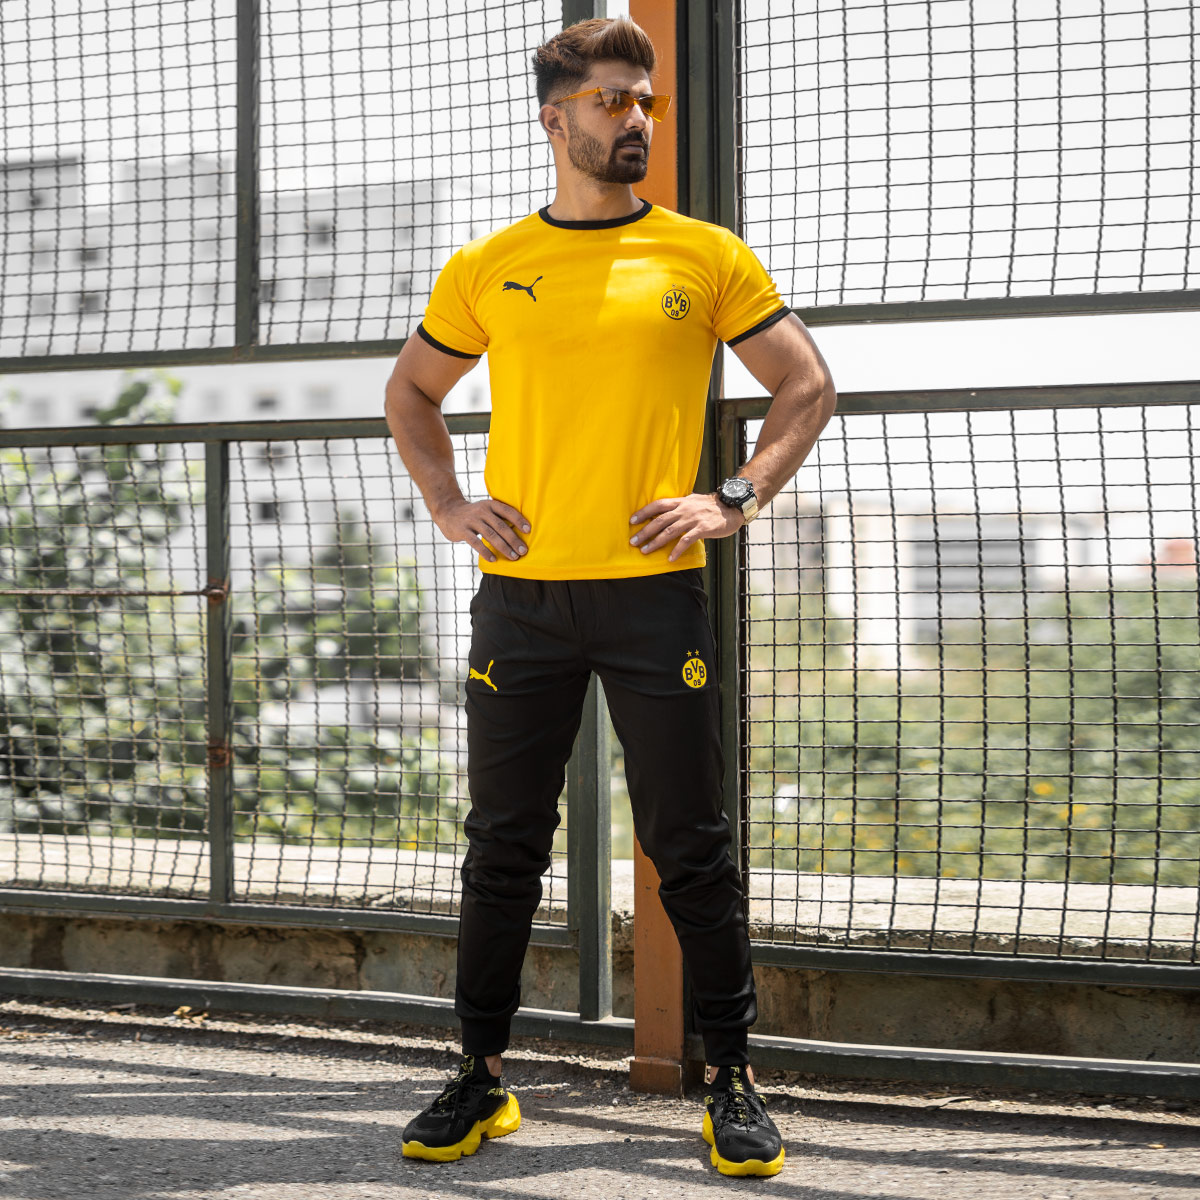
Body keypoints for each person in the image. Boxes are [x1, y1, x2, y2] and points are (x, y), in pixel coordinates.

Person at [383, 16, 835, 1178]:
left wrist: (732, 496)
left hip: (653, 599)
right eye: (613, 101)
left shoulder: (703, 254)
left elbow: (806, 384)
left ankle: (731, 1081)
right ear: (556, 118)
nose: (637, 119)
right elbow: (411, 393)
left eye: (647, 101)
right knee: (502, 846)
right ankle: (480, 1076)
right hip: (521, 600)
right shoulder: (488, 265)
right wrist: (449, 502)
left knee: (691, 847)